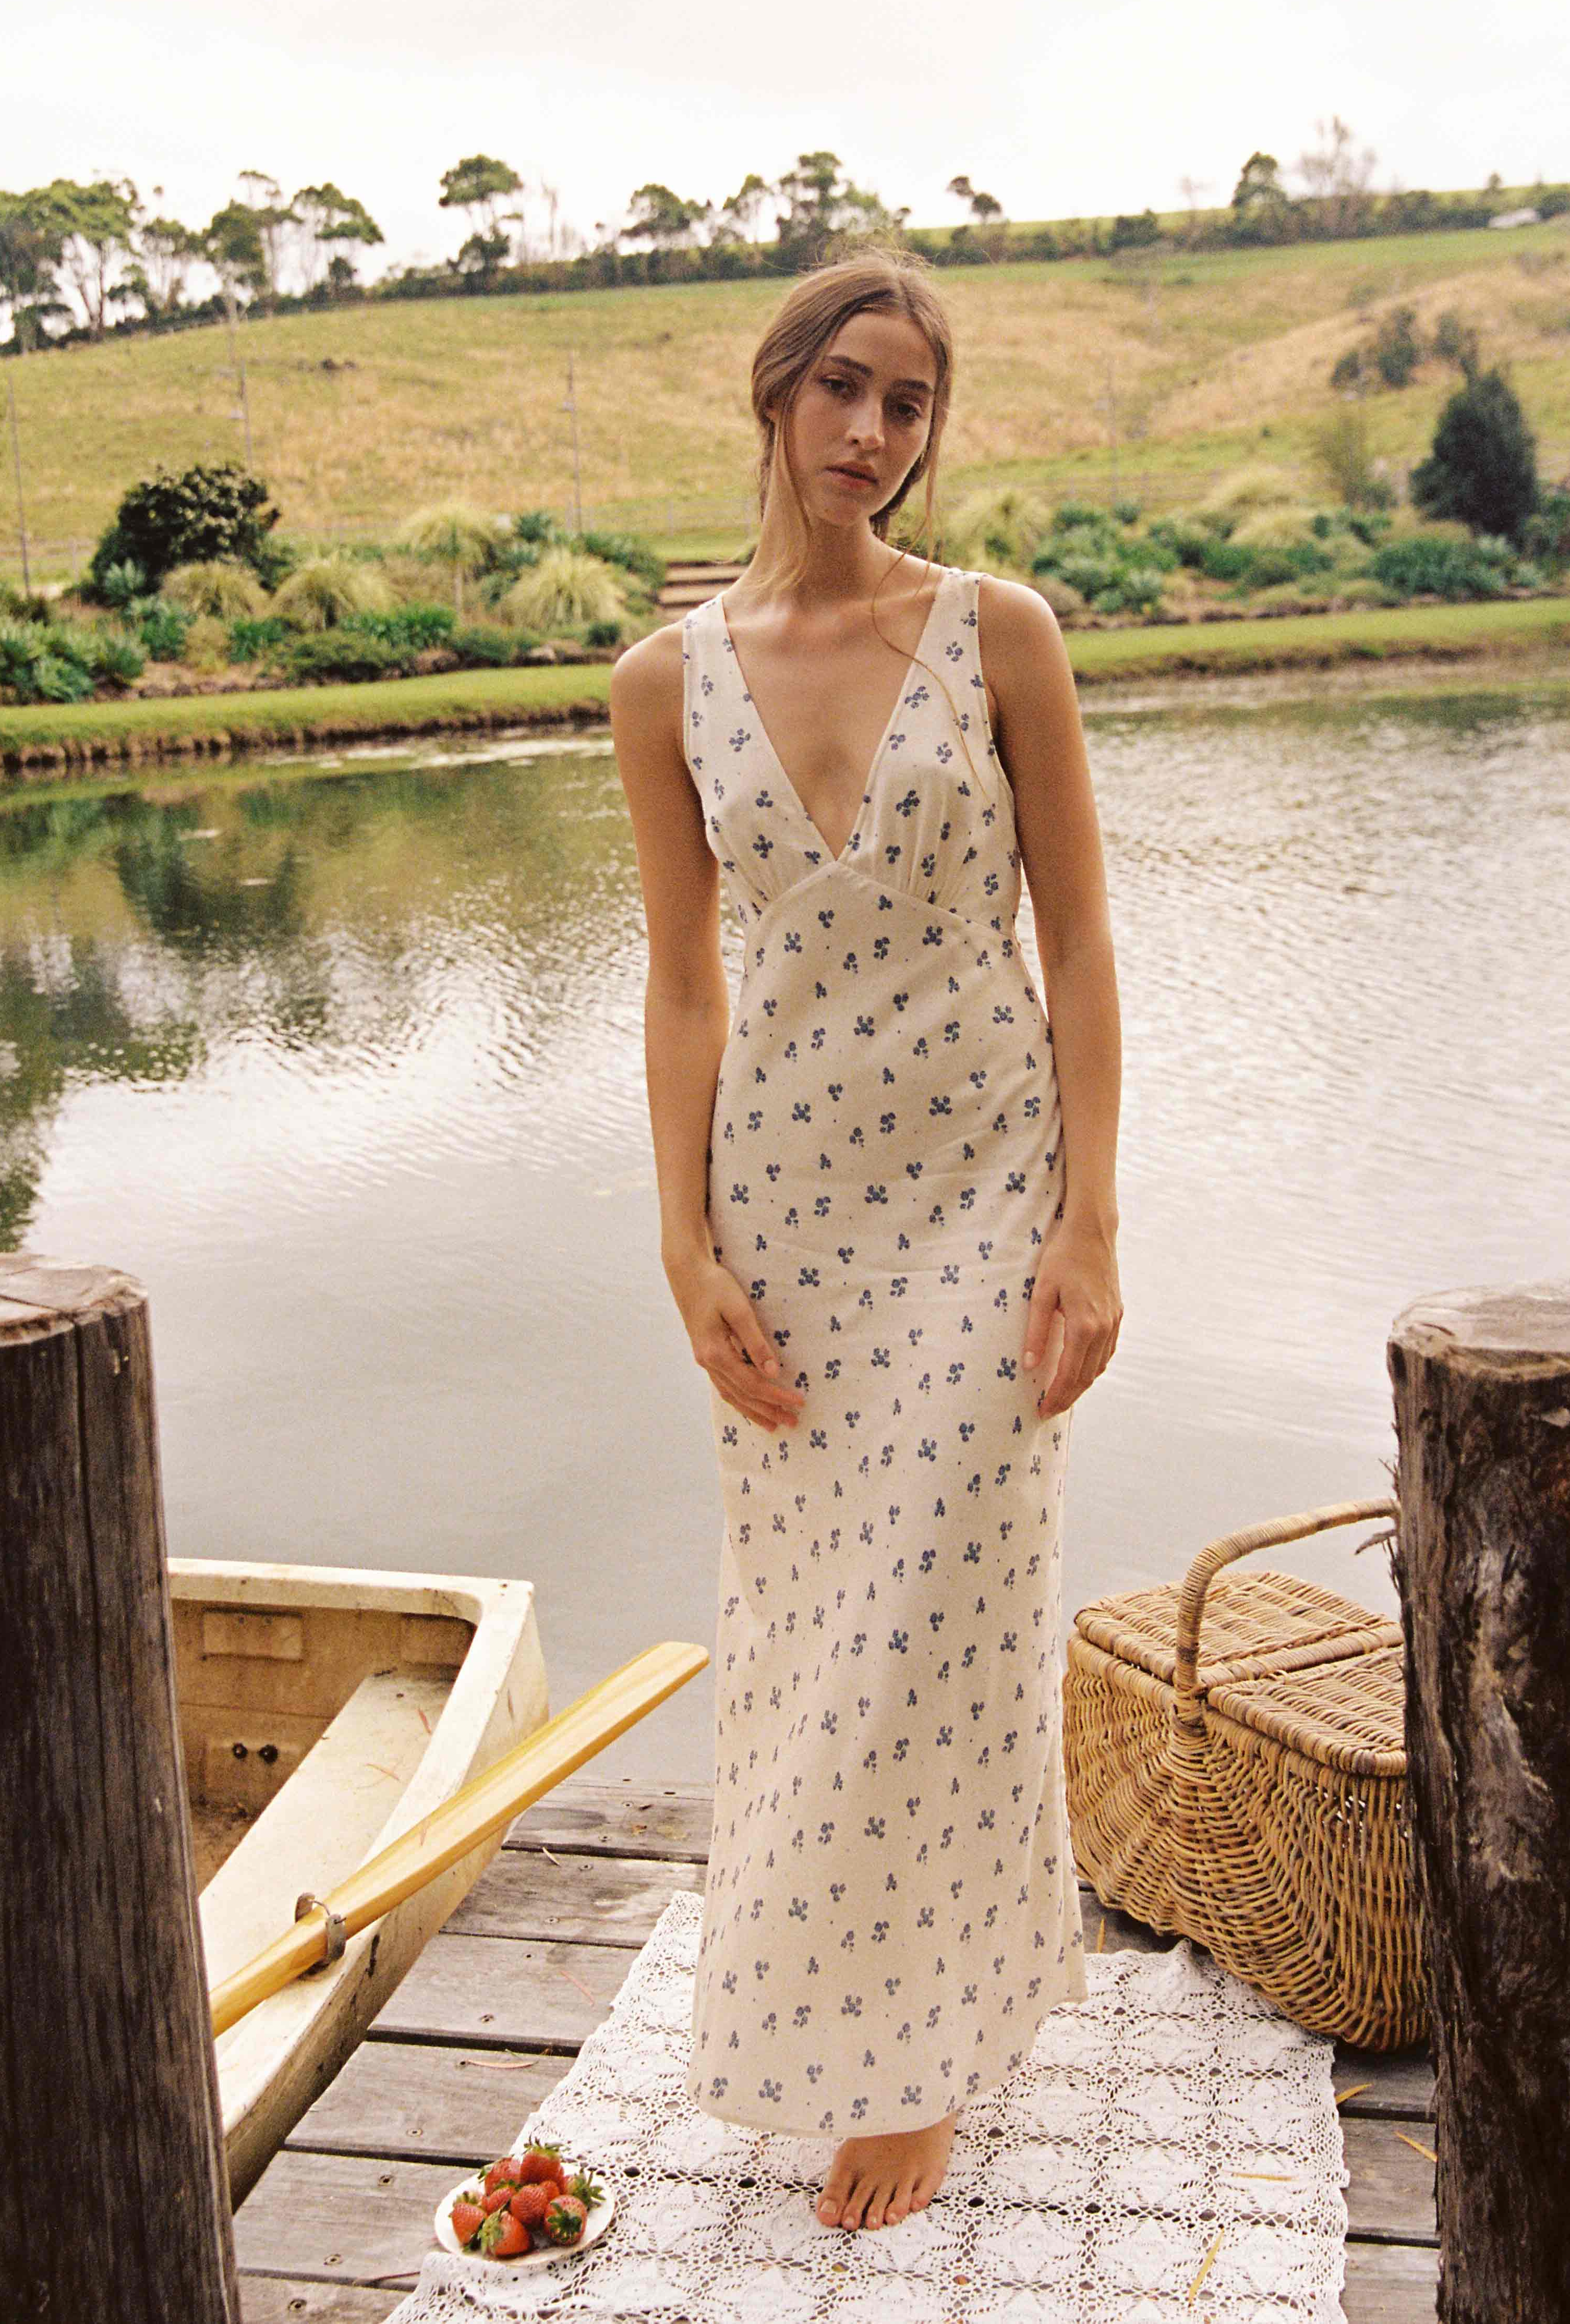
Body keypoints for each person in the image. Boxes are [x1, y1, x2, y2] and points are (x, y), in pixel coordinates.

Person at [610, 247, 1123, 2233]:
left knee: (959, 1606)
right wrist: (682, 1243)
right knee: (821, 1630)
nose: (874, 435)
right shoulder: (668, 682)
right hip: (790, 1209)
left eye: (909, 402)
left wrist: (1090, 1219)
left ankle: (926, 2057)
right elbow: (680, 985)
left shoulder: (1004, 632)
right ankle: (831, 2013)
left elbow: (1075, 942)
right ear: (775, 395)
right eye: (843, 387)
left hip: (988, 1181)